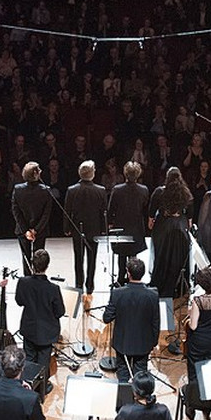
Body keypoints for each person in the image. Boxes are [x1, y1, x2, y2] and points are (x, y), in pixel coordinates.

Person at [15, 249, 65, 393]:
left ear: (32, 264)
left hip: (29, 328)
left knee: (29, 359)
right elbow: (60, 312)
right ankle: (41, 389)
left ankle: (28, 386)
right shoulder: (53, 288)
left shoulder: (23, 282)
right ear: (47, 265)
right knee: (43, 361)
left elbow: (19, 301)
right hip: (46, 332)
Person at [103, 257, 161, 382]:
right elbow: (156, 322)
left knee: (123, 375)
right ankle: (139, 400)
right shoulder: (153, 295)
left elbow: (107, 318)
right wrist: (154, 342)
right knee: (140, 378)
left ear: (128, 273)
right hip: (143, 343)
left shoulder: (117, 293)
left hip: (122, 342)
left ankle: (124, 399)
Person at [65, 160, 107, 299]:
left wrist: (67, 228)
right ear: (92, 173)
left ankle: (79, 285)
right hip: (94, 230)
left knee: (78, 258)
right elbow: (103, 213)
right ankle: (90, 285)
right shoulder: (100, 190)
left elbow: (67, 212)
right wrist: (103, 229)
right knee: (92, 259)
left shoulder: (72, 190)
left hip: (78, 228)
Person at [150, 168, 193, 298]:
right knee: (178, 258)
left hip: (163, 227)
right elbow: (190, 218)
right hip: (180, 227)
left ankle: (159, 284)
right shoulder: (186, 193)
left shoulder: (159, 192)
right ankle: (178, 286)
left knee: (161, 256)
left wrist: (152, 222)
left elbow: (151, 212)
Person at [107, 161, 150, 284]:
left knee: (121, 255)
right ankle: (133, 278)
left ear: (125, 174)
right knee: (133, 254)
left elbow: (111, 209)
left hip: (121, 227)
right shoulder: (144, 190)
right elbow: (145, 209)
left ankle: (121, 278)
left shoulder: (117, 189)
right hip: (136, 227)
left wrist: (110, 223)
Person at [12, 161, 52, 275]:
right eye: (39, 170)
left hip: (23, 230)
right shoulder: (46, 190)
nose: (41, 171)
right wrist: (36, 230)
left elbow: (16, 212)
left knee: (25, 256)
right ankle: (38, 277)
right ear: (35, 173)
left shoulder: (17, 189)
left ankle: (27, 279)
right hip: (40, 230)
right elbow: (46, 214)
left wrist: (25, 230)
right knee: (38, 257)